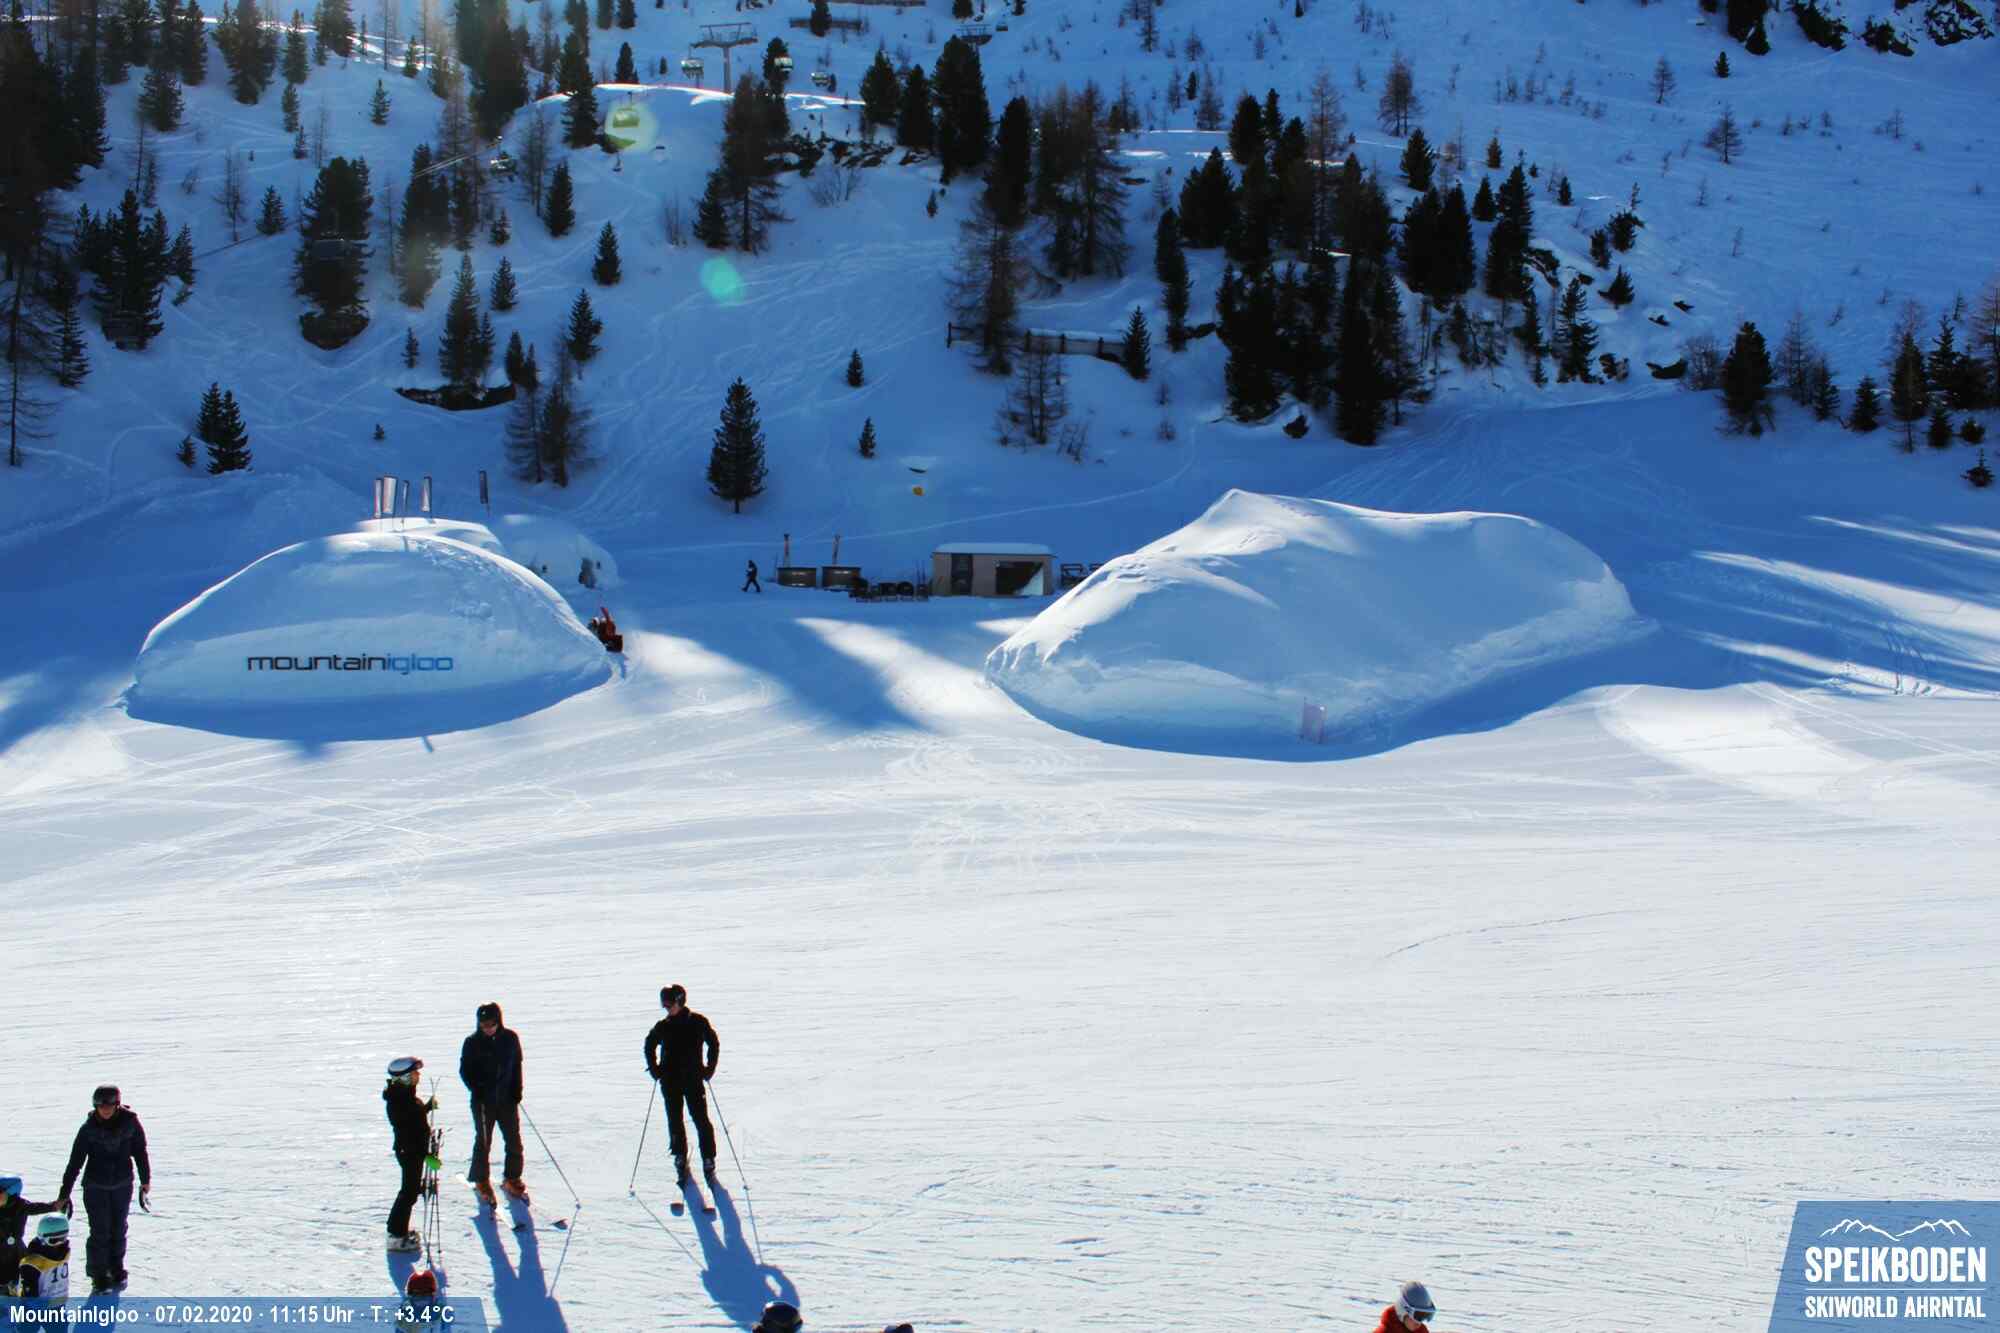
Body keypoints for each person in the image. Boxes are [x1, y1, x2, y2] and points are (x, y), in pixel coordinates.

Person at [57, 1085, 150, 1293]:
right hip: (95, 1187)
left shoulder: (130, 1123)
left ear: (117, 1105)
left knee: (119, 1228)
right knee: (100, 1231)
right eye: (101, 1106)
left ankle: (116, 1268)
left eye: (109, 1105)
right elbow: (75, 1162)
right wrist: (64, 1193)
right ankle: (99, 1275)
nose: (105, 1109)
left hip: (122, 1184)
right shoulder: (88, 1129)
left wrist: (145, 1180)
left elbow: (140, 1152)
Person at [643, 984, 720, 1185]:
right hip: (670, 1082)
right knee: (675, 1120)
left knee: (701, 1120)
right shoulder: (663, 1026)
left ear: (680, 1001)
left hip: (693, 1080)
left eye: (669, 1005)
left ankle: (708, 1158)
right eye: (664, 1005)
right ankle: (679, 1155)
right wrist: (654, 1069)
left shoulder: (697, 1022)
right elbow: (649, 1044)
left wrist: (710, 1067)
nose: (666, 1009)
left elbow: (713, 1042)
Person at [459, 1003, 526, 1206]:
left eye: (491, 1024)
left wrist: (516, 1090)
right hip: (483, 1102)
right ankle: (481, 1179)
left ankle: (512, 1177)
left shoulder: (510, 1039)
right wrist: (476, 1088)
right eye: (483, 1025)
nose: (487, 1028)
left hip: (506, 1100)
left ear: (499, 1021)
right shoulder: (472, 1043)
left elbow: (516, 1066)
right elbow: (465, 1071)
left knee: (513, 1139)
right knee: (483, 1141)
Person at [384, 1057, 435, 1252]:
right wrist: (426, 1155)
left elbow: (415, 1116)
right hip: (410, 1152)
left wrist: (426, 1108)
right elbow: (410, 1126)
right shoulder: (400, 1100)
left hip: (413, 1151)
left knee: (410, 1191)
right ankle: (396, 1235)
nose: (418, 1076)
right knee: (409, 1193)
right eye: (414, 1073)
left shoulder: (405, 1096)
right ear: (404, 1077)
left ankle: (397, 1231)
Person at [1, 1176, 61, 1291]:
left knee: (16, 1271)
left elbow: (36, 1207)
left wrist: (53, 1206)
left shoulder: (21, 1206)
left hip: (15, 1250)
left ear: (11, 1193)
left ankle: (14, 1286)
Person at [16, 1214, 71, 1303]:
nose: (59, 1243)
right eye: (54, 1240)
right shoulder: (32, 1264)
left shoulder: (63, 1251)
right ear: (42, 1238)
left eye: (63, 1238)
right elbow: (29, 1297)